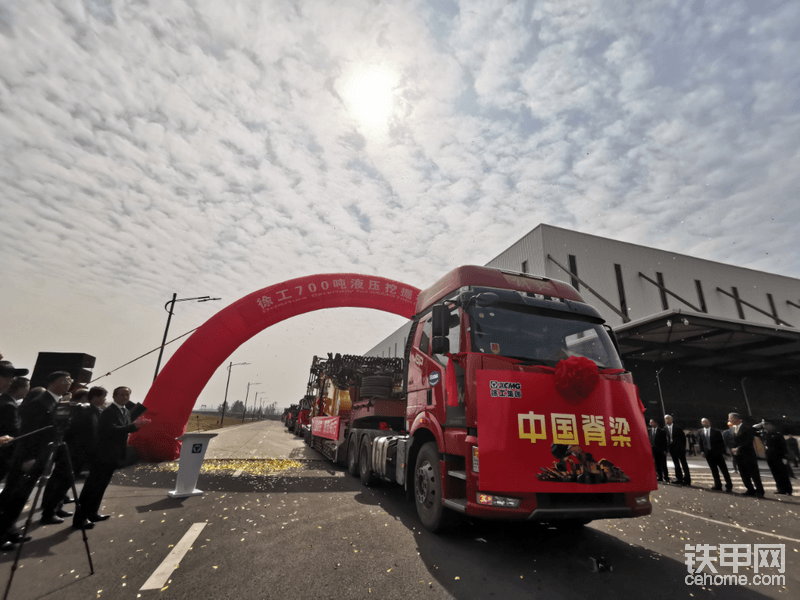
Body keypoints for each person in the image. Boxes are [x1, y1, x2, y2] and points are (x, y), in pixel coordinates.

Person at [73, 386, 144, 530]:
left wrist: (135, 426)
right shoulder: (108, 412)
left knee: (101, 486)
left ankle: (93, 512)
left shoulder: (124, 411)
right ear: (115, 396)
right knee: (91, 487)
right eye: (122, 395)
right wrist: (133, 427)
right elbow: (110, 431)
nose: (125, 397)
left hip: (113, 455)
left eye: (127, 395)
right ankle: (80, 518)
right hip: (102, 455)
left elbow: (123, 430)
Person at [728, 413, 765, 497]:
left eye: (730, 418)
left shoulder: (747, 428)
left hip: (748, 455)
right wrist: (733, 449)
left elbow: (748, 441)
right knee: (743, 474)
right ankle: (750, 489)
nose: (729, 420)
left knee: (754, 474)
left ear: (736, 419)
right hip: (738, 456)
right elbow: (732, 441)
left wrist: (738, 448)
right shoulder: (733, 429)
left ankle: (760, 491)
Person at [698, 418, 733, 492]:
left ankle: (729, 485)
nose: (704, 423)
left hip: (718, 454)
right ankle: (718, 484)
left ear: (709, 423)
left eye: (705, 422)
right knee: (714, 470)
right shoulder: (700, 431)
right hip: (708, 454)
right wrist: (702, 451)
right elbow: (701, 442)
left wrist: (723, 453)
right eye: (702, 422)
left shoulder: (716, 432)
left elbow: (721, 443)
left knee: (724, 470)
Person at [761, 421, 792, 495]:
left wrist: (785, 456)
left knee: (783, 473)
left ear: (770, 425)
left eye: (765, 424)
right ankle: (780, 488)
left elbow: (783, 445)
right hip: (770, 457)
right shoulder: (766, 434)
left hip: (778, 456)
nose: (764, 426)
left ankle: (788, 489)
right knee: (775, 473)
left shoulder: (777, 434)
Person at [664, 415, 691, 485]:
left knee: (683, 463)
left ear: (671, 420)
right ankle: (679, 478)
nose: (666, 420)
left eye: (668, 419)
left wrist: (683, 448)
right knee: (676, 464)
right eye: (665, 419)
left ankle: (687, 479)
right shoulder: (665, 428)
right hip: (672, 449)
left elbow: (683, 439)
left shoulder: (677, 428)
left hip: (680, 449)